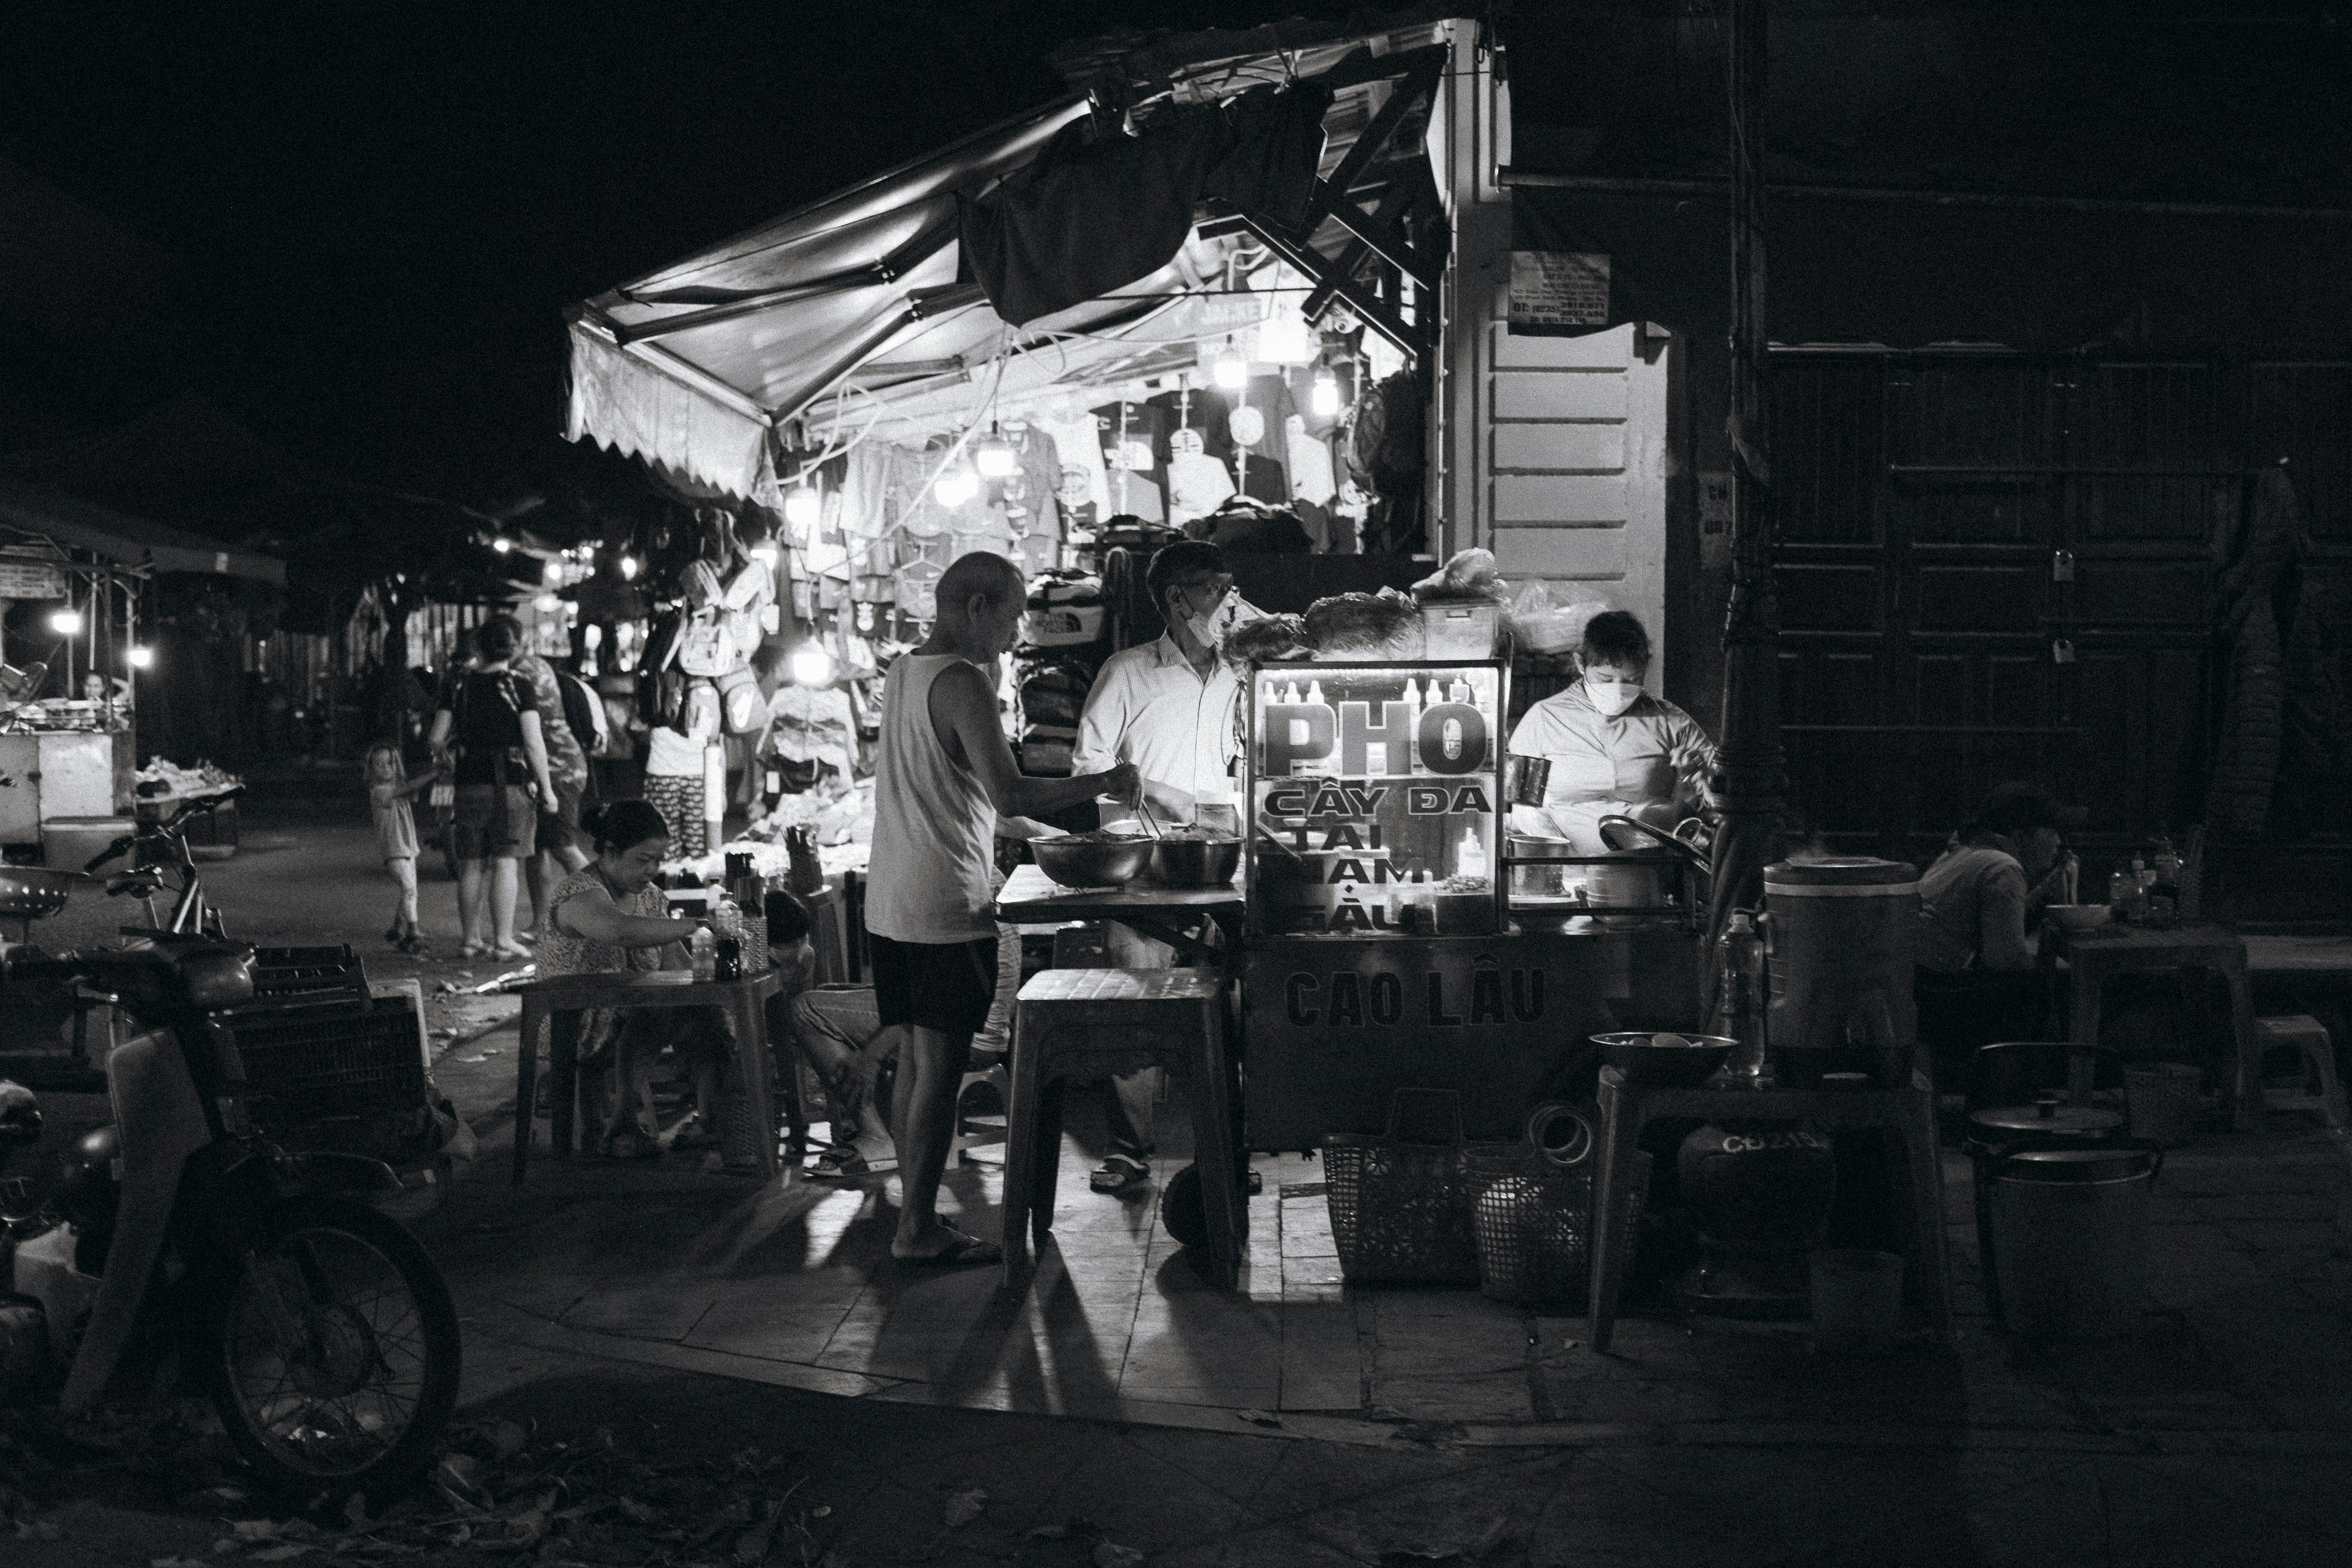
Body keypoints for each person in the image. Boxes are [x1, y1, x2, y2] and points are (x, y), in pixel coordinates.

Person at [865, 551, 1138, 1265]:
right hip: (943, 903)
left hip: (892, 899)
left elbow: (968, 797)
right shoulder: (961, 681)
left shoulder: (904, 670)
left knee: (918, 1063)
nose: (1018, 633)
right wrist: (1104, 782)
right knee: (940, 1071)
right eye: (1014, 616)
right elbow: (1008, 790)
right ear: (978, 607)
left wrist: (1047, 834)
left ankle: (913, 1217)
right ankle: (916, 1230)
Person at [1068, 539, 1252, 1192]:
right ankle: (1128, 1150)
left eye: (1232, 587)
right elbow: (1089, 765)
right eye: (1215, 589)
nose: (1230, 602)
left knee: (1230, 1014)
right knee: (1137, 1008)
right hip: (1144, 870)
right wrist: (1164, 795)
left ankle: (1226, 1152)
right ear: (1177, 599)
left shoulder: (1244, 674)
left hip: (1225, 868)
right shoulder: (1128, 672)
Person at [535, 800, 731, 1159]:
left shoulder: (650, 898)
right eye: (643, 860)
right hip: (576, 1022)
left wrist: (716, 974)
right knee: (656, 1011)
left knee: (706, 1014)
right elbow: (619, 931)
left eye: (658, 860)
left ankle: (711, 1123)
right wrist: (700, 925)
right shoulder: (580, 892)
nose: (653, 870)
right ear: (611, 851)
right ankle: (622, 1124)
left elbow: (677, 965)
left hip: (627, 1011)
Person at [1505, 610, 1716, 854]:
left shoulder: (1670, 722)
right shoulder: (1544, 719)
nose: (1618, 690)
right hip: (1566, 861)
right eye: (1606, 679)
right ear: (1581, 664)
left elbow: (1722, 790)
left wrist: (1695, 778)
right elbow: (1516, 806)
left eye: (1632, 680)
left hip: (1650, 861)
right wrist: (1559, 855)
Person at [1916, 781, 2082, 1078]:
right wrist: (2046, 962)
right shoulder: (2002, 866)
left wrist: (2045, 892)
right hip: (1947, 1001)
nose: (2060, 841)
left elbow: (1995, 925)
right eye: (2052, 830)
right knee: (2046, 989)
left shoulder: (1962, 853)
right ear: (2021, 835)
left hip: (1923, 991)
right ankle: (2036, 1088)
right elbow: (2004, 960)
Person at [428, 620, 560, 959]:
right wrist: (547, 789)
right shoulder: (520, 686)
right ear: (513, 649)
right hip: (510, 785)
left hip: (468, 784)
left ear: (478, 648)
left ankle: (470, 940)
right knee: (505, 862)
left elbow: (436, 738)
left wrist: (450, 757)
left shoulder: (458, 686)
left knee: (471, 864)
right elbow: (533, 742)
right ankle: (503, 940)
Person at [482, 614, 594, 940]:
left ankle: (610, 910)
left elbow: (526, 734)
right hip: (554, 766)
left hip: (558, 769)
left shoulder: (521, 674)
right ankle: (542, 923)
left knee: (563, 846)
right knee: (537, 850)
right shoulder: (532, 666)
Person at [364, 740, 439, 954]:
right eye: (379, 764)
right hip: (394, 850)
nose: (385, 768)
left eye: (390, 763)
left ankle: (398, 928)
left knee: (409, 890)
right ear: (370, 769)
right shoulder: (379, 792)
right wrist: (432, 774)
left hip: (406, 848)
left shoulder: (396, 790)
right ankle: (413, 931)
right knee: (409, 889)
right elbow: (410, 788)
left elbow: (412, 791)